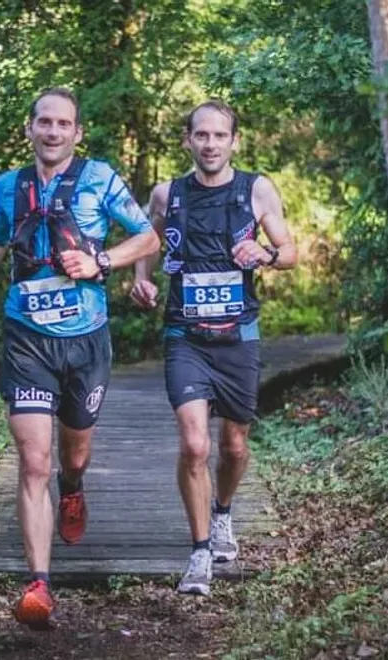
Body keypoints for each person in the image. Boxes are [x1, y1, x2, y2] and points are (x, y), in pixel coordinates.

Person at [0, 88, 160, 628]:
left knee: (71, 459)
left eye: (64, 124)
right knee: (34, 462)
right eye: (44, 123)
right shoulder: (9, 186)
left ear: (77, 133)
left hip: (85, 339)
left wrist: (100, 260)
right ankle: (39, 586)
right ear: (29, 129)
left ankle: (73, 491)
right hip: (26, 336)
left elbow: (146, 239)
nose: (53, 132)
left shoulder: (100, 179)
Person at [130, 99, 297, 596]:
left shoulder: (257, 189)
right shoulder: (168, 193)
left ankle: (223, 511)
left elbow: (289, 251)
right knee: (195, 444)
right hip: (185, 334)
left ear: (234, 141)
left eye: (219, 135)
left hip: (238, 335)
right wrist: (141, 280)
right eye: (200, 135)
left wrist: (265, 254)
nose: (209, 143)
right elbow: (144, 239)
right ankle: (200, 550)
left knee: (234, 445)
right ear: (187, 140)